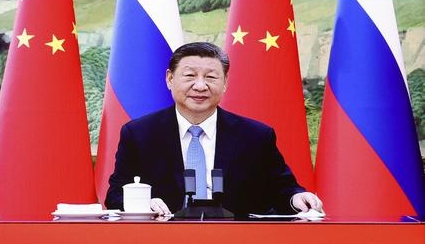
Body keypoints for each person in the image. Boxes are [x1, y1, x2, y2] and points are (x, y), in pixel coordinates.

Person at [104, 42, 322, 218]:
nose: (200, 86)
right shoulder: (140, 134)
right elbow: (115, 196)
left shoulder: (255, 136)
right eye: (190, 76)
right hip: (163, 243)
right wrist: (143, 203)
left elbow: (282, 190)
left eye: (211, 77)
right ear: (170, 79)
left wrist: (297, 198)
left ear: (225, 82)